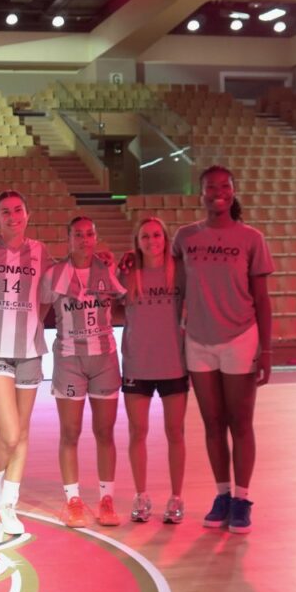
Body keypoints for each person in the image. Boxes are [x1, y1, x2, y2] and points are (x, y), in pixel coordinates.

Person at [173, 165, 273, 534]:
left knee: (240, 422)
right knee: (212, 423)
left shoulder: (252, 238)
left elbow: (262, 300)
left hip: (240, 339)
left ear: (233, 191)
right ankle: (223, 495)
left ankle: (243, 499)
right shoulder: (184, 238)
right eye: (211, 187)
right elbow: (172, 285)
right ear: (199, 193)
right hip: (198, 340)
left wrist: (267, 351)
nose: (218, 191)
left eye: (225, 186)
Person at [0, 190, 52, 539]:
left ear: (27, 214)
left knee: (23, 431)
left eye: (18, 210)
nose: (12, 216)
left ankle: (8, 504)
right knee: (10, 433)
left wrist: (31, 321)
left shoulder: (41, 250)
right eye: (5, 212)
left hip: (29, 348)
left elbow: (43, 299)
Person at [40, 216, 126, 528]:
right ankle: (73, 500)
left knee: (105, 432)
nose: (84, 240)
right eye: (78, 234)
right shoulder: (55, 274)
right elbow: (38, 308)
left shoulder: (107, 270)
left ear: (95, 237)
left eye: (89, 234)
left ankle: (107, 498)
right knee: (71, 432)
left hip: (104, 358)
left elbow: (126, 299)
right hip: (69, 359)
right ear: (68, 238)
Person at [118, 217, 188, 525]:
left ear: (165, 238)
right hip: (137, 364)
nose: (151, 240)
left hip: (173, 362)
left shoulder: (180, 271)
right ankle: (141, 495)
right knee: (138, 432)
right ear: (138, 241)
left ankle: (176, 497)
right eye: (145, 236)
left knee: (175, 432)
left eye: (157, 235)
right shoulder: (128, 272)